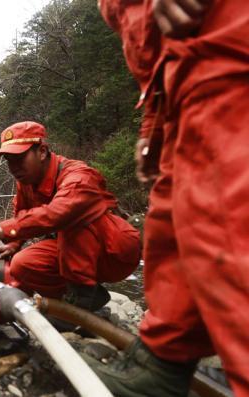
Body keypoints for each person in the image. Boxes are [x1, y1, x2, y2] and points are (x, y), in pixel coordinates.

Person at [85, 0, 249, 395]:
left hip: (226, 45)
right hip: (181, 76)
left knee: (228, 224)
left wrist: (5, 229)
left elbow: (58, 212)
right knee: (172, 225)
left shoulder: (74, 175)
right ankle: (159, 365)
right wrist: (155, 126)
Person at [0, 121, 141, 311]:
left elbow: (57, 214)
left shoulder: (79, 176)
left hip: (116, 253)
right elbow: (22, 215)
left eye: (19, 158)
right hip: (73, 251)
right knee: (21, 264)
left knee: (71, 221)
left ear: (42, 151)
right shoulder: (26, 180)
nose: (13, 167)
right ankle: (71, 302)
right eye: (9, 160)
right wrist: (13, 244)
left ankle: (84, 298)